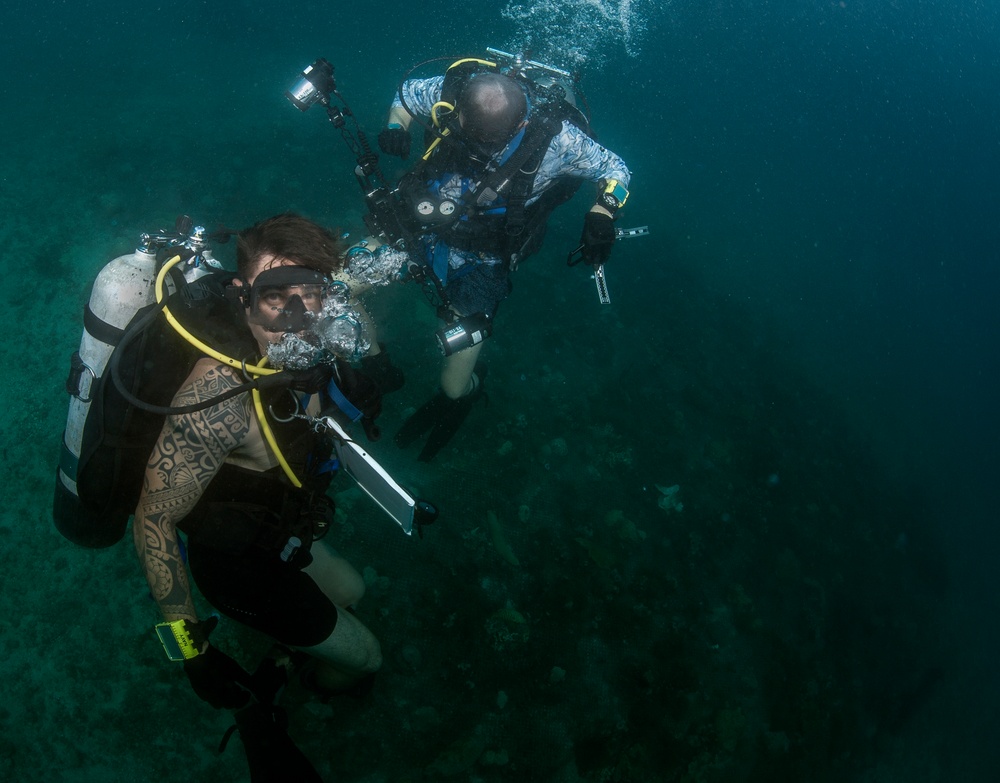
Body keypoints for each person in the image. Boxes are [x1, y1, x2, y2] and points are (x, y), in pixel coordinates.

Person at [133, 213, 383, 711]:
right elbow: (153, 521)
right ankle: (288, 700)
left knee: (353, 591)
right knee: (368, 659)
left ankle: (290, 649)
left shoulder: (324, 329)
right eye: (273, 296)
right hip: (237, 569)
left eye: (308, 293)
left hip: (282, 531)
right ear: (242, 294)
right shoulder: (220, 397)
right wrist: (191, 652)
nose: (293, 316)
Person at [373, 60, 632, 461]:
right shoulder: (449, 90)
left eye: (489, 142)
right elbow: (404, 98)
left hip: (485, 259)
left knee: (453, 385)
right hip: (419, 224)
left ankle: (464, 396)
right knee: (342, 281)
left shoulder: (559, 140)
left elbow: (617, 170)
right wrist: (396, 126)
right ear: (459, 109)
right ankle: (374, 367)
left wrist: (603, 212)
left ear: (521, 124)